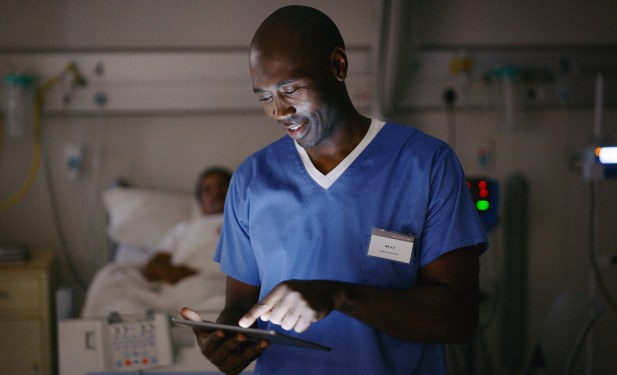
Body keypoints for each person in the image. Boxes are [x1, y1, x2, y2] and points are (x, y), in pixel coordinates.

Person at [180, 5, 487, 375]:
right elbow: (241, 306)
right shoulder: (252, 179)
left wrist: (339, 296)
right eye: (264, 97)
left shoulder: (425, 164)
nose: (279, 110)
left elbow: (458, 319)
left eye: (291, 89)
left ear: (338, 66)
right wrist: (230, 341)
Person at [81, 166, 232, 318]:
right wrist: (181, 274)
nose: (216, 192)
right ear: (200, 201)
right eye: (208, 189)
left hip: (217, 282)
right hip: (180, 282)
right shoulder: (183, 230)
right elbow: (155, 266)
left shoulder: (243, 222)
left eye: (222, 185)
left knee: (212, 302)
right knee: (110, 278)